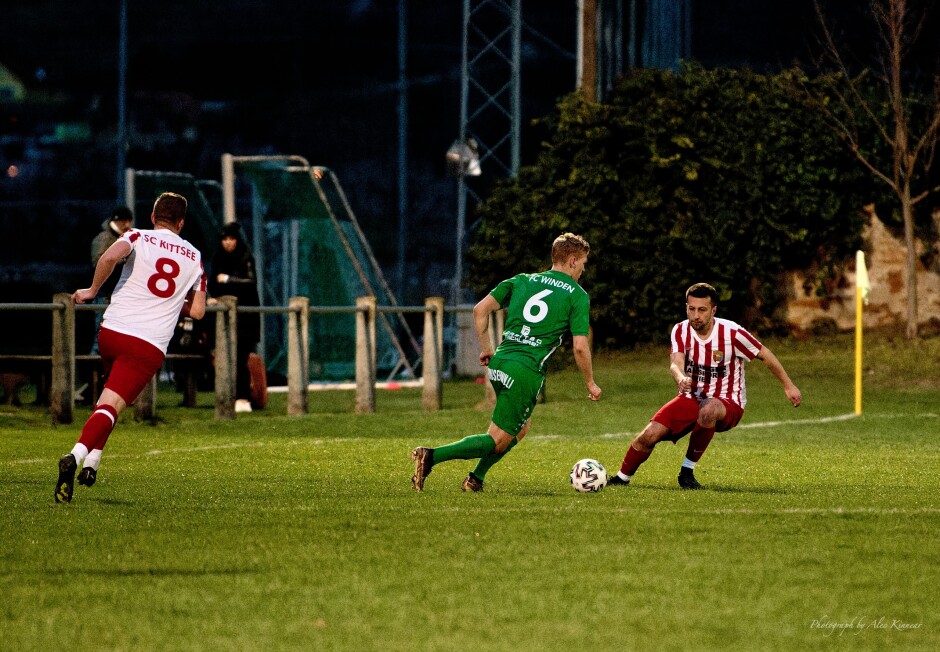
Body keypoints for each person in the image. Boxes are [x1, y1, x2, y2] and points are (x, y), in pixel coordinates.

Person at [410, 232, 602, 492]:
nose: (582, 270)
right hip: (524, 371)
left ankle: (475, 479)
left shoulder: (522, 280)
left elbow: (479, 310)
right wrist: (590, 382)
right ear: (571, 260)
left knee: (520, 428)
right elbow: (580, 347)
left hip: (500, 364)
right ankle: (431, 456)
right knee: (497, 440)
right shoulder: (577, 295)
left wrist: (487, 348)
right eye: (582, 264)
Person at [55, 192, 207, 503]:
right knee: (112, 407)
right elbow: (198, 311)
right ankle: (75, 455)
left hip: (111, 331)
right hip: (147, 344)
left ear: (152, 218)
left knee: (108, 399)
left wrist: (92, 289)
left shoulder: (136, 234)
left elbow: (109, 257)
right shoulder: (194, 257)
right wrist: (177, 302)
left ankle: (92, 465)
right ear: (181, 222)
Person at [607, 282, 801, 490]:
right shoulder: (680, 330)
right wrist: (681, 378)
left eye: (702, 310)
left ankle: (687, 472)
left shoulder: (732, 333)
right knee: (649, 435)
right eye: (691, 309)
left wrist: (788, 386)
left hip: (728, 402)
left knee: (708, 409)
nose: (696, 315)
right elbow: (676, 363)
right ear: (686, 307)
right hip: (692, 398)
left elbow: (765, 354)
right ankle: (621, 478)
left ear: (713, 310)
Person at [207, 222, 261, 413]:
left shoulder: (245, 256)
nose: (228, 243)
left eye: (231, 239)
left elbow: (250, 282)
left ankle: (243, 397)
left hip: (245, 317)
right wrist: (211, 299)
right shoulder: (218, 258)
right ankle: (227, 396)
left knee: (241, 357)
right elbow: (212, 283)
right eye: (225, 239)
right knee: (224, 357)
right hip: (224, 316)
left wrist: (229, 280)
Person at [89, 206, 134, 354]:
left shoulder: (121, 238)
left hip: (115, 293)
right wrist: (122, 259)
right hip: (105, 293)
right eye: (124, 222)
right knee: (101, 333)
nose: (127, 225)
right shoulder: (106, 237)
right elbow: (99, 262)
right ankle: (95, 368)